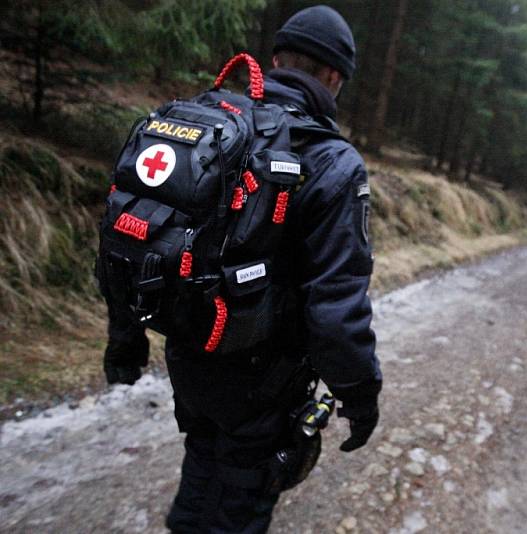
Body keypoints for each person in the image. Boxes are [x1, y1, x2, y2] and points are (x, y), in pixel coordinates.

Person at [101, 6, 382, 532]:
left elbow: (126, 234)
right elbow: (336, 306)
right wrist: (360, 395)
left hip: (190, 348)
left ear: (276, 60)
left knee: (203, 461)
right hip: (264, 380)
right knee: (241, 505)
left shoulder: (212, 128)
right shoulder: (333, 162)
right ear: (335, 78)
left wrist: (125, 341)